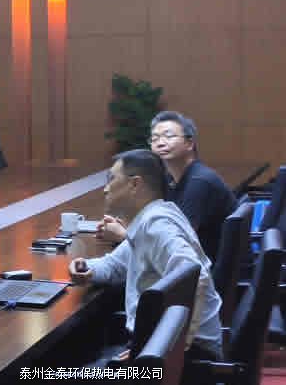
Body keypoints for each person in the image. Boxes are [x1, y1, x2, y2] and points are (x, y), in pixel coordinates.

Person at [70, 149, 223, 361]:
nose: (105, 189)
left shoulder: (157, 225)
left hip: (188, 357)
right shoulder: (149, 220)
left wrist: (166, 349)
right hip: (164, 347)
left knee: (42, 373)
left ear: (135, 184)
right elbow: (114, 265)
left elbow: (196, 277)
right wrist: (87, 267)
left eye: (111, 179)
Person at [97, 111, 236, 264]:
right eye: (155, 138)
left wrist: (124, 235)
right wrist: (129, 226)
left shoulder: (200, 182)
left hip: (203, 269)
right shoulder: (170, 179)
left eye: (168, 136)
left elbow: (179, 243)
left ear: (189, 143)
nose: (160, 143)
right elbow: (161, 227)